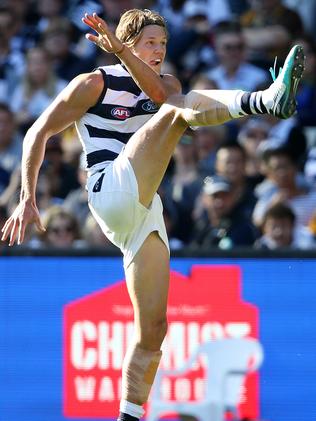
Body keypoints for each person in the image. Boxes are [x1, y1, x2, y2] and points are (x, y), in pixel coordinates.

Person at [0, 9, 305, 421]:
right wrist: (27, 198)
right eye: (151, 43)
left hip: (141, 211)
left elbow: (162, 96)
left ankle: (128, 415)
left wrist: (131, 56)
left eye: (163, 43)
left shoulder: (167, 84)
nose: (160, 50)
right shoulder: (93, 83)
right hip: (109, 190)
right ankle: (267, 100)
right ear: (127, 41)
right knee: (177, 109)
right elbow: (37, 132)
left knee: (153, 330)